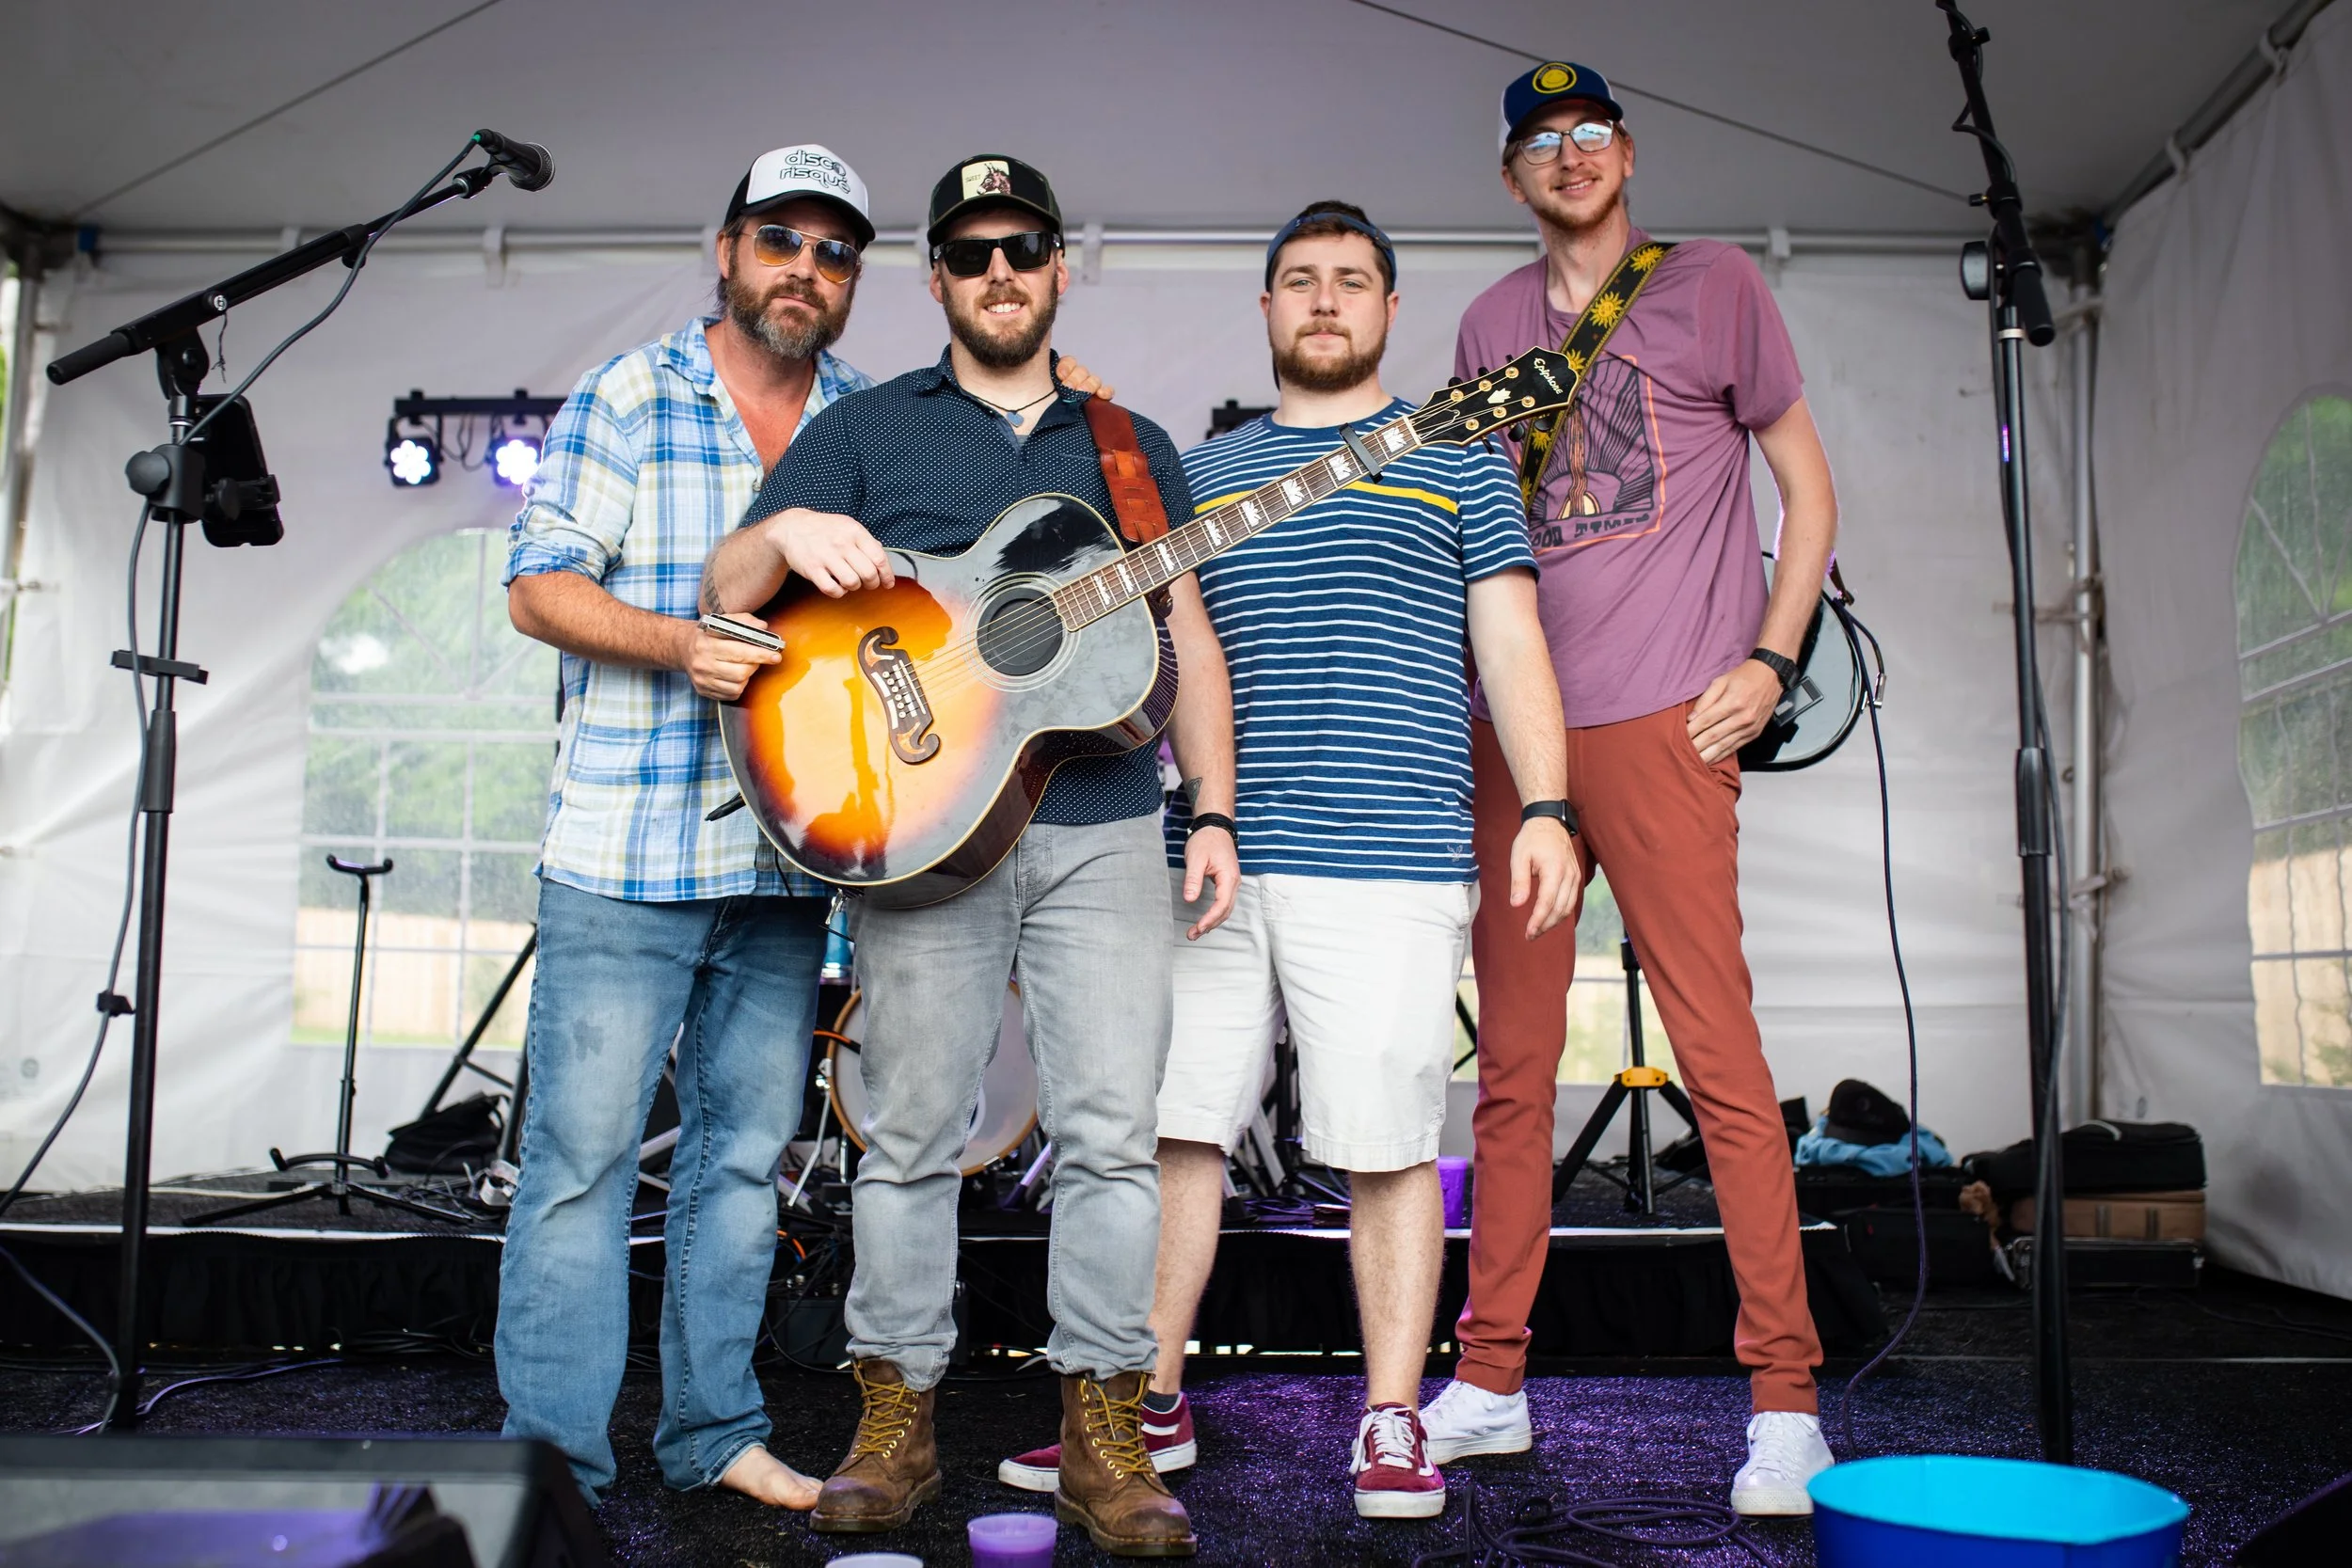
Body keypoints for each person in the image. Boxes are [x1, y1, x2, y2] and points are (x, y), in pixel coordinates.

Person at [498, 142, 1116, 1508]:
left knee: (737, 1166)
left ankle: (713, 1435)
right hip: (626, 852)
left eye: (834, 250)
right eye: (780, 240)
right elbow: (536, 586)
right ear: (726, 253)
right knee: (581, 1166)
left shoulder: (862, 415)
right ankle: (548, 1469)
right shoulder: (635, 393)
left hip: (791, 864)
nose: (806, 269)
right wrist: (685, 641)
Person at [994, 199, 1577, 1521]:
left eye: (1352, 281)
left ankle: (1389, 1417)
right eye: (1300, 280)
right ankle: (1147, 1401)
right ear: (1266, 310)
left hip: (1389, 852)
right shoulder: (1197, 474)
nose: (1325, 299)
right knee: (1172, 1132)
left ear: (1385, 310)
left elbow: (1514, 648)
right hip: (1206, 854)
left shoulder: (1458, 460)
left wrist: (1549, 802)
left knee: (1383, 1148)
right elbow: (1137, 649)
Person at [704, 153, 1238, 1559]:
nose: (1001, 271)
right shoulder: (870, 426)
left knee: (1115, 1138)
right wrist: (778, 531)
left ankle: (1104, 1432)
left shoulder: (1129, 442)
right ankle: (896, 1417)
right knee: (908, 1141)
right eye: (973, 251)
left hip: (1109, 818)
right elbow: (727, 590)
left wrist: (1220, 808)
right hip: (922, 837)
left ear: (1061, 266)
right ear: (937, 277)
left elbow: (1186, 636)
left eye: (1026, 247)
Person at [1418, 63, 1843, 1518]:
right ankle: (1488, 1379)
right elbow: (1473, 539)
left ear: (1630, 152)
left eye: (1591, 135)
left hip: (1670, 721)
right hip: (1520, 738)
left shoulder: (1715, 285)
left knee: (1724, 1065)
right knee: (1512, 1076)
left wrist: (1773, 661)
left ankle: (1784, 1402)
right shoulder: (1480, 326)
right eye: (1542, 143)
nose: (1571, 157)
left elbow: (1809, 490)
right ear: (1511, 178)